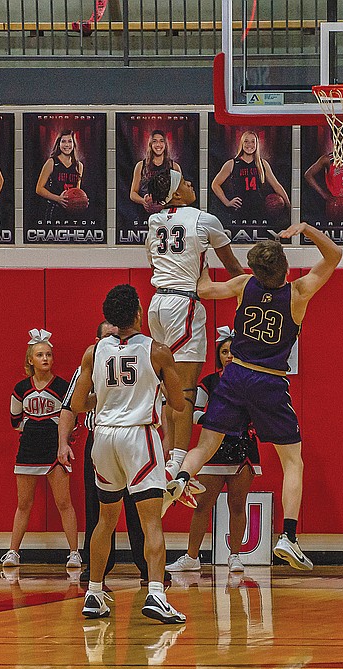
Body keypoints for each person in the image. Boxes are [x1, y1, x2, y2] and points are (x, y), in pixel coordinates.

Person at [166, 223, 343, 571]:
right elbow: (334, 255)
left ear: (256, 270)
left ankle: (181, 478)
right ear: (285, 267)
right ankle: (288, 537)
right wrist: (306, 228)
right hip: (269, 381)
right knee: (293, 461)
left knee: (205, 446)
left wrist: (199, 255)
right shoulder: (298, 292)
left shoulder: (243, 285)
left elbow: (202, 289)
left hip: (234, 375)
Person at [67, 284, 186, 624]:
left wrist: (106, 401)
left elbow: (77, 405)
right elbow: (178, 404)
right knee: (151, 521)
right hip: (138, 437)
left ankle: (93, 592)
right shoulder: (158, 351)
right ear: (138, 313)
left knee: (105, 520)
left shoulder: (95, 351)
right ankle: (156, 594)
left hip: (103, 437)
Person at [145, 168, 245, 480]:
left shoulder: (154, 221)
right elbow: (232, 267)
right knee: (185, 390)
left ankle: (165, 454)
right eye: (186, 182)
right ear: (176, 194)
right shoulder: (204, 219)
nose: (191, 184)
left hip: (157, 302)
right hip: (182, 305)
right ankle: (176, 463)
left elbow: (152, 261)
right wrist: (255, 290)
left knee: (167, 388)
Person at [58, 320, 153, 584]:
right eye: (109, 337)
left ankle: (148, 567)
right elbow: (70, 406)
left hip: (133, 437)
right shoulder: (89, 364)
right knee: (98, 509)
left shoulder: (143, 357)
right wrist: (62, 442)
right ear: (98, 342)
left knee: (141, 507)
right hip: (102, 437)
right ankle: (97, 568)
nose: (117, 341)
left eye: (118, 335)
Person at [166, 327, 261, 574]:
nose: (229, 356)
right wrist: (218, 421)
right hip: (213, 449)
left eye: (233, 351)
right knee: (202, 505)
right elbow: (193, 413)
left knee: (238, 504)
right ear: (218, 355)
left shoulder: (252, 380)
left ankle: (236, 556)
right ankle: (192, 556)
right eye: (224, 352)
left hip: (243, 448)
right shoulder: (209, 383)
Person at [3, 329, 79, 568]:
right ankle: (13, 552)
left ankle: (74, 553)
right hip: (28, 451)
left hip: (54, 451)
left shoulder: (63, 387)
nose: (45, 359)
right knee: (23, 504)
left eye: (48, 354)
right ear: (30, 359)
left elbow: (73, 420)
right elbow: (15, 421)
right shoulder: (20, 388)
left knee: (64, 503)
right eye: (39, 355)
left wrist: (60, 441)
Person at [211, 130, 291, 221]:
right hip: (239, 211)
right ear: (241, 143)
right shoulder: (232, 163)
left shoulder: (262, 164)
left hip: (259, 210)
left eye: (253, 141)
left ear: (257, 144)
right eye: (246, 141)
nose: (250, 144)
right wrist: (227, 202)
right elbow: (215, 184)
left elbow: (276, 186)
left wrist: (289, 205)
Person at [129, 129, 182, 215]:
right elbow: (133, 193)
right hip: (145, 215)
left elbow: (180, 194)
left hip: (167, 214)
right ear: (150, 144)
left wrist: (165, 204)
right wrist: (144, 201)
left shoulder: (174, 167)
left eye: (161, 141)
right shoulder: (141, 166)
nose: (158, 144)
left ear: (165, 144)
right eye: (155, 141)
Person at [35, 129, 83, 220]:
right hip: (53, 210)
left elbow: (77, 191)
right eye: (63, 141)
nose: (67, 145)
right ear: (59, 143)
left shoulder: (79, 166)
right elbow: (39, 189)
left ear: (74, 144)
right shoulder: (51, 162)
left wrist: (81, 200)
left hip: (71, 211)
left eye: (70, 141)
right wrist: (58, 199)